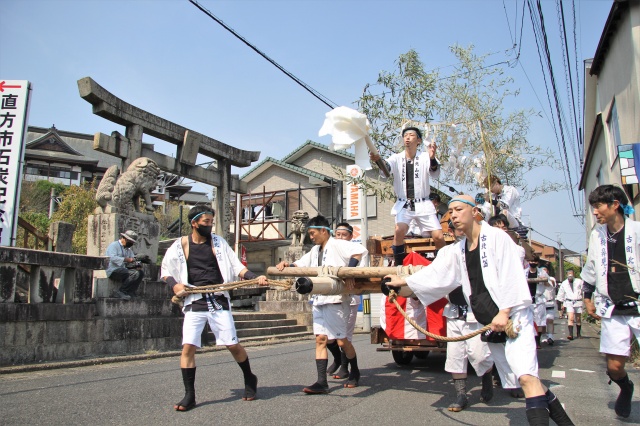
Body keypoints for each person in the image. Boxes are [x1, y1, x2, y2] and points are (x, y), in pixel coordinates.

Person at [384, 195, 573, 425]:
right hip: (489, 323)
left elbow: (512, 275)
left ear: (476, 213)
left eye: (458, 209)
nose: (453, 214)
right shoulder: (456, 250)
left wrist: (504, 312)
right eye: (450, 211)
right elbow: (434, 276)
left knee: (525, 378)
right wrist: (402, 285)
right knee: (523, 378)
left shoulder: (497, 238)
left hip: (513, 320)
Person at [161, 205, 268, 411]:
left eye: (211, 222)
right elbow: (166, 271)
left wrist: (256, 278)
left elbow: (238, 268)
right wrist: (175, 285)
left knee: (232, 345)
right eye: (206, 222)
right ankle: (189, 395)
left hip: (218, 298)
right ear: (194, 223)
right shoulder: (180, 245)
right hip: (194, 300)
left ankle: (249, 377)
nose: (210, 226)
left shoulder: (218, 243)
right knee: (188, 347)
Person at [276, 215, 367, 394]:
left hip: (336, 299)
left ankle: (354, 371)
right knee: (320, 339)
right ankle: (321, 382)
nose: (311, 237)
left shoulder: (338, 244)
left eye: (312, 233)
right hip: (318, 299)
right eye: (310, 234)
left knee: (342, 341)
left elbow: (359, 251)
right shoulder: (315, 250)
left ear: (323, 231)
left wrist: (349, 272)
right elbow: (301, 264)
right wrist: (287, 264)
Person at [580, 184, 640, 418]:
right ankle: (625, 387)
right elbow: (591, 267)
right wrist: (587, 297)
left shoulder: (636, 230)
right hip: (612, 306)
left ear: (615, 205)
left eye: (598, 206)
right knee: (614, 368)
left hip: (637, 302)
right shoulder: (597, 235)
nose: (595, 212)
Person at [370, 126, 445, 266]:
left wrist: (433, 158)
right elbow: (386, 169)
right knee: (399, 231)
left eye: (411, 135)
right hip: (404, 204)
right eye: (405, 136)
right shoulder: (396, 158)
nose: (408, 138)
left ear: (418, 140)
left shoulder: (424, 157)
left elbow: (434, 171)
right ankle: (398, 266)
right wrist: (378, 160)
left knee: (438, 236)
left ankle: (443, 264)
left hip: (423, 204)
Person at [442, 223, 494, 412]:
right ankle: (461, 395)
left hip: (476, 312)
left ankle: (487, 376)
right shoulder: (446, 252)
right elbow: (434, 276)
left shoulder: (480, 249)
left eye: (464, 228)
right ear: (451, 231)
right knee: (455, 355)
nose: (460, 231)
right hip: (454, 311)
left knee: (479, 355)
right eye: (456, 228)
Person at [331, 222, 361, 379]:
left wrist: (349, 273)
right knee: (328, 336)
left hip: (349, 297)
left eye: (344, 235)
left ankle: (345, 367)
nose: (340, 238)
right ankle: (337, 360)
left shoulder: (355, 249)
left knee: (344, 337)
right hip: (330, 297)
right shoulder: (330, 249)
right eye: (338, 235)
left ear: (351, 236)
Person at [105, 230, 146, 300]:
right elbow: (112, 258)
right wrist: (127, 259)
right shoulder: (114, 245)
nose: (131, 243)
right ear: (124, 238)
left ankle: (131, 292)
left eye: (132, 242)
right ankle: (122, 291)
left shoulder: (128, 250)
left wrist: (137, 264)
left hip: (124, 270)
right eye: (130, 241)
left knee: (140, 273)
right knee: (134, 273)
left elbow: (133, 259)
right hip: (113, 270)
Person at [484, 175, 528, 239]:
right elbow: (486, 209)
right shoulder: (492, 196)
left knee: (504, 212)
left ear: (496, 183)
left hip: (513, 221)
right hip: (497, 222)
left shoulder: (510, 190)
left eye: (490, 187)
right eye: (488, 188)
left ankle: (503, 228)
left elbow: (505, 206)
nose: (490, 190)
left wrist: (491, 201)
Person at [527, 258, 549, 349]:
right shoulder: (524, 272)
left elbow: (548, 283)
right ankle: (530, 340)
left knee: (539, 321)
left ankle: (537, 341)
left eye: (535, 262)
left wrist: (543, 280)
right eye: (531, 261)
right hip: (528, 299)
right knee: (528, 321)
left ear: (537, 263)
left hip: (539, 298)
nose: (532, 263)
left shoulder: (542, 273)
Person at [557, 270, 584, 340]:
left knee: (578, 318)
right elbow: (561, 293)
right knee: (571, 318)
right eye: (569, 274)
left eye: (571, 274)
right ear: (566, 275)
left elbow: (583, 290)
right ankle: (570, 334)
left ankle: (578, 333)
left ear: (573, 274)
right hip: (569, 302)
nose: (570, 275)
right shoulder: (564, 283)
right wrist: (561, 303)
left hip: (578, 301)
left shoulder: (579, 281)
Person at [539, 266, 557, 346]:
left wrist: (544, 278)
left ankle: (550, 336)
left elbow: (548, 284)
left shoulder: (551, 279)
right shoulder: (538, 279)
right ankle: (543, 336)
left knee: (550, 320)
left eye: (545, 271)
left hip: (550, 302)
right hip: (541, 302)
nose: (544, 273)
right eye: (542, 271)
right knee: (542, 321)